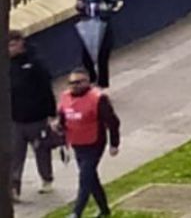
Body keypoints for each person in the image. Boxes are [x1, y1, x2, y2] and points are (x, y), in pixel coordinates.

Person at [56, 69, 119, 218]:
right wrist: (60, 133)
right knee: (91, 178)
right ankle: (104, 210)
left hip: (94, 142)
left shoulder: (98, 98)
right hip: (77, 143)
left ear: (87, 82)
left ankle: (76, 212)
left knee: (85, 177)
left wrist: (114, 144)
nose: (75, 86)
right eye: (71, 83)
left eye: (79, 82)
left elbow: (113, 122)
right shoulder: (65, 97)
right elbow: (62, 118)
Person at [10, 31, 54, 198]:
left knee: (41, 150)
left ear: (21, 43)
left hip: (36, 117)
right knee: (15, 154)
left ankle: (46, 178)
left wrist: (50, 112)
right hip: (15, 119)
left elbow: (45, 87)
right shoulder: (7, 65)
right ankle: (14, 187)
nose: (10, 49)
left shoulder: (35, 62)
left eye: (13, 45)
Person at [74, 0, 119, 88]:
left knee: (102, 57)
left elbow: (114, 1)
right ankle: (92, 78)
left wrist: (106, 7)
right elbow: (78, 3)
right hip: (88, 26)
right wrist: (80, 6)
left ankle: (102, 85)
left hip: (102, 26)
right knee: (86, 58)